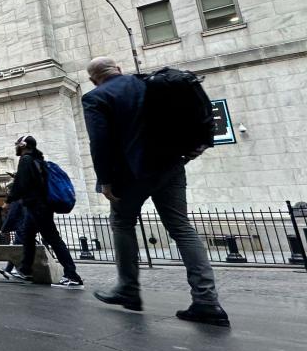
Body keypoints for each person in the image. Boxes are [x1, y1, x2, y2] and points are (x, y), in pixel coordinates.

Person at [82, 57, 229, 327]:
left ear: (93, 79)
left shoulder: (95, 98)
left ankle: (128, 288)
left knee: (122, 223)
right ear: (120, 69)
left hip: (132, 174)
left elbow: (99, 142)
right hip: (171, 165)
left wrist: (105, 180)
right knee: (182, 228)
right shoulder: (148, 83)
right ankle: (207, 301)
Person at [4, 135, 83, 288]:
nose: (16, 148)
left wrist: (8, 201)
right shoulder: (37, 160)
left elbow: (21, 184)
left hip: (37, 207)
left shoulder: (26, 160)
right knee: (27, 236)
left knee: (53, 239)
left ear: (24, 145)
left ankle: (72, 275)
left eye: (17, 145)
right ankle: (25, 271)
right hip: (38, 207)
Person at [0, 199, 30, 280]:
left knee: (19, 250)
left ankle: (24, 271)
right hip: (27, 227)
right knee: (17, 249)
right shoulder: (25, 198)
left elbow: (11, 216)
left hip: (21, 230)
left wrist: (3, 230)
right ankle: (9, 270)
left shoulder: (16, 200)